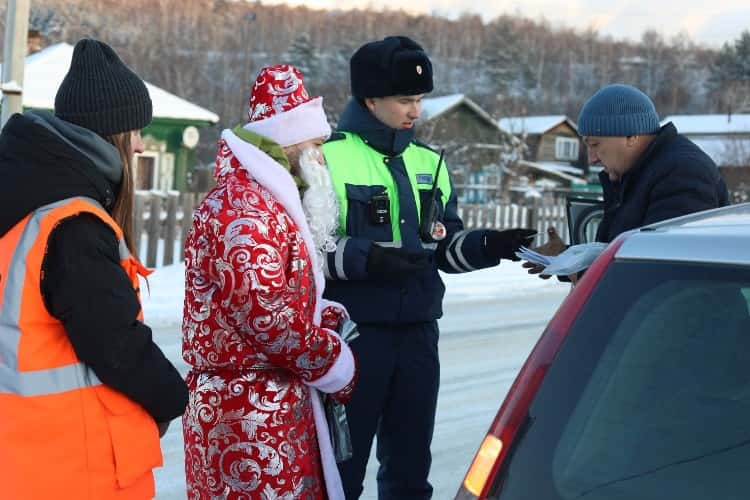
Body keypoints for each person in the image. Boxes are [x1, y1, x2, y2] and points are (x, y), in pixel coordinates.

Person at [320, 36, 536, 499]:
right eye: (404, 99)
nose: (414, 110)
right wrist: (368, 259)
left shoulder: (430, 163)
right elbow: (311, 250)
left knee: (410, 470)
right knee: (342, 471)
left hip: (419, 335)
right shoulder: (327, 158)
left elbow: (443, 246)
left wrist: (486, 246)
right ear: (370, 99)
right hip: (356, 336)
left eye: (419, 99)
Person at [0, 39, 188, 498]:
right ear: (111, 134)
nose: (142, 146)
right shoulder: (74, 224)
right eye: (135, 132)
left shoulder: (26, 198)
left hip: (25, 456)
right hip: (69, 465)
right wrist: (171, 395)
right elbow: (114, 342)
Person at [182, 65, 357, 500]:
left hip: (267, 405)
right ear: (290, 141)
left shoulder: (265, 199)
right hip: (245, 416)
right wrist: (333, 361)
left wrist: (322, 314)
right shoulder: (244, 207)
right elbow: (263, 314)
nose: (320, 156)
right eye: (315, 144)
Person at [526, 83, 729, 275]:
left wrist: (579, 273)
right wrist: (565, 257)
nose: (591, 158)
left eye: (595, 144)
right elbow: (620, 252)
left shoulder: (683, 172)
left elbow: (664, 267)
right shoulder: (633, 173)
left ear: (632, 137)